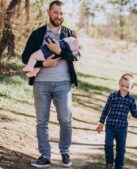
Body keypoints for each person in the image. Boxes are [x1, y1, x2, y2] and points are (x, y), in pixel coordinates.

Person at [21, 0, 80, 167]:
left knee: (65, 120)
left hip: (63, 84)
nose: (59, 16)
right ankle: (45, 156)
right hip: (41, 84)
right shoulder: (37, 34)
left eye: (62, 13)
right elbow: (25, 58)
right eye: (56, 12)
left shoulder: (69, 33)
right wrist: (42, 64)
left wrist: (59, 51)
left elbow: (76, 56)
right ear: (49, 12)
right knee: (42, 121)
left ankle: (65, 152)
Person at [96, 74, 137, 169]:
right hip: (110, 126)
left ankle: (119, 166)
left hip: (122, 128)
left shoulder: (131, 99)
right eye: (122, 86)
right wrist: (101, 122)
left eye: (127, 87)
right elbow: (106, 110)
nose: (124, 88)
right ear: (119, 84)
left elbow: (134, 113)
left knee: (120, 150)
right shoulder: (113, 96)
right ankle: (109, 163)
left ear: (131, 87)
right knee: (108, 145)